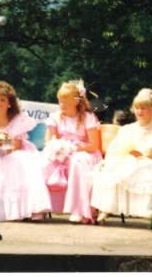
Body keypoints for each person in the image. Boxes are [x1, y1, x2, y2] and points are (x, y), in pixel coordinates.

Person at [0, 82, 52, 221]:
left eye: (2, 100)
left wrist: (4, 151)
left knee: (16, 162)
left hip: (13, 149)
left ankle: (30, 209)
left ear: (10, 103)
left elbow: (17, 145)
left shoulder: (18, 119)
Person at [92, 89, 152, 222]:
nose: (139, 112)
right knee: (112, 171)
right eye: (137, 108)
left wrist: (142, 154)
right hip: (128, 160)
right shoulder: (128, 129)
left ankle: (147, 209)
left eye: (143, 108)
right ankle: (106, 209)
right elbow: (116, 149)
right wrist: (111, 160)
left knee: (143, 169)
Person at [41, 81, 101, 224]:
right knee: (42, 163)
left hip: (84, 151)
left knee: (77, 164)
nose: (62, 105)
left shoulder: (88, 117)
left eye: (66, 102)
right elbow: (49, 141)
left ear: (76, 101)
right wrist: (57, 148)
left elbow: (93, 145)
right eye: (60, 102)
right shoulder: (55, 117)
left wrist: (73, 149)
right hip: (61, 151)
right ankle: (41, 207)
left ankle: (77, 209)